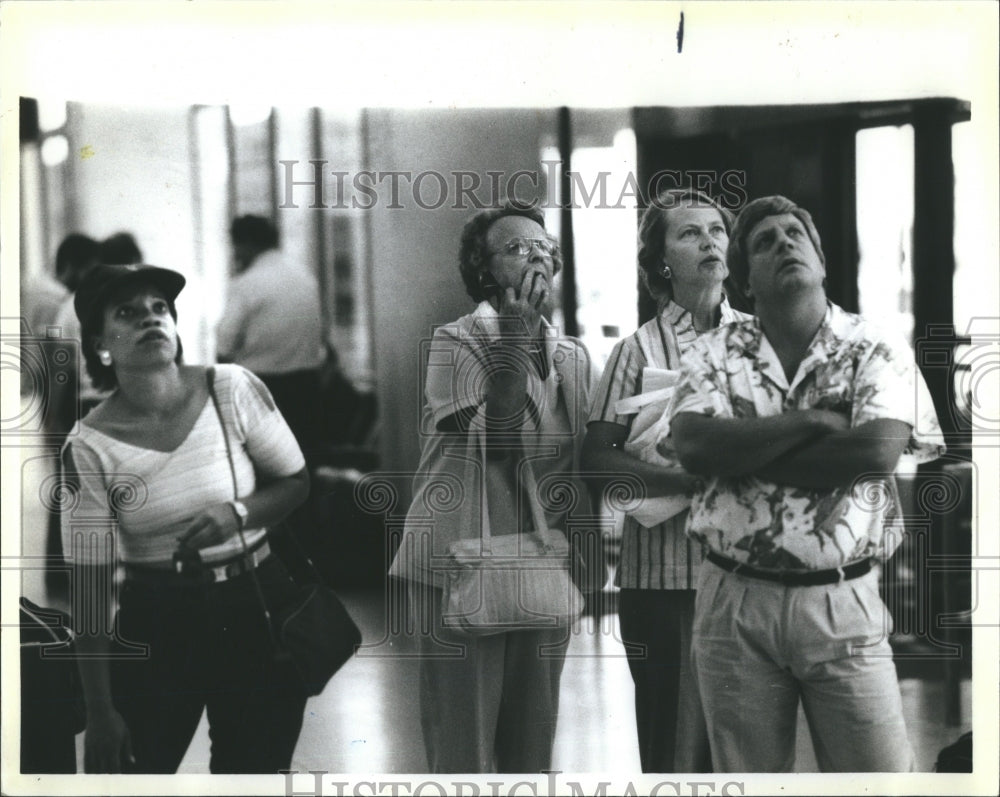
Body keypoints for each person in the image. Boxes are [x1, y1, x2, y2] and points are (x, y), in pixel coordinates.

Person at [667, 195, 945, 772]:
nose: (784, 244)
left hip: (840, 599)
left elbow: (872, 454)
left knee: (880, 779)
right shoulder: (712, 352)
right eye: (764, 242)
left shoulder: (875, 347)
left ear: (821, 261)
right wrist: (815, 423)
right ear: (745, 281)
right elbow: (695, 447)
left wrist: (740, 449)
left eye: (795, 234)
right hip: (734, 602)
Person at [61, 262, 311, 773]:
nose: (150, 319)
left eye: (159, 309)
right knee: (136, 775)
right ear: (101, 346)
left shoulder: (232, 388)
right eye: (127, 314)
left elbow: (296, 483)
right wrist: (101, 710)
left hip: (255, 609)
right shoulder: (87, 445)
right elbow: (88, 588)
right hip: (159, 622)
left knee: (253, 776)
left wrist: (237, 514)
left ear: (175, 327)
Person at [388, 203, 595, 773]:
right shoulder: (452, 342)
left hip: (541, 562)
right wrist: (511, 344)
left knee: (532, 746)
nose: (536, 256)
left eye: (543, 247)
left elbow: (579, 468)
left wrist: (590, 556)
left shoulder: (573, 357)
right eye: (515, 249)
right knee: (465, 745)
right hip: (456, 561)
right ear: (483, 274)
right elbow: (499, 444)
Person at [581, 188, 749, 773]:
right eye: (689, 233)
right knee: (675, 748)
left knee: (747, 744)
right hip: (665, 580)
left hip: (752, 577)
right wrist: (686, 479)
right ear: (661, 263)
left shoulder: (757, 341)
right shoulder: (636, 350)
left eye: (717, 230)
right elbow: (598, 461)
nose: (708, 240)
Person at [216, 215, 326, 462]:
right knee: (304, 467)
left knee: (265, 470)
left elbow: (224, 345)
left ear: (245, 244)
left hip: (260, 390)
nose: (235, 254)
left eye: (236, 246)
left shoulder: (246, 283)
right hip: (307, 386)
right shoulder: (306, 278)